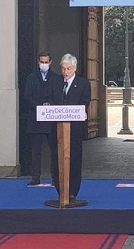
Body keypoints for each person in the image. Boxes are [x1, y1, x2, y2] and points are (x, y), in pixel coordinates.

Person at [47, 53, 90, 201]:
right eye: (63, 69)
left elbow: (85, 102)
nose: (65, 72)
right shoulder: (55, 82)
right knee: (56, 158)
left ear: (75, 68)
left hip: (74, 129)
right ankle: (60, 190)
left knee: (74, 159)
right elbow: (49, 99)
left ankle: (72, 190)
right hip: (57, 129)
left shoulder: (83, 83)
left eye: (69, 69)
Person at [23, 51, 60, 185]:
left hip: (51, 119)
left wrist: (49, 106)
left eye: (46, 62)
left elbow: (58, 95)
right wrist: (39, 107)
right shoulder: (32, 77)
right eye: (42, 62)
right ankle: (35, 177)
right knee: (36, 150)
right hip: (36, 118)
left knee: (54, 150)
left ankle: (55, 177)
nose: (44, 64)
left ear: (50, 62)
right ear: (38, 62)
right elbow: (27, 96)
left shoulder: (56, 78)